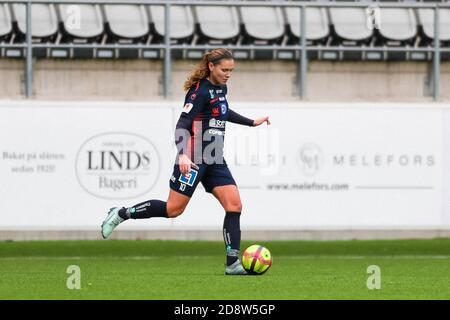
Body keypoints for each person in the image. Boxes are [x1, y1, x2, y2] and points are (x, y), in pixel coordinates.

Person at [101, 48, 270, 275]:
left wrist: (251, 122)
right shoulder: (197, 92)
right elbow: (182, 125)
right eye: (224, 69)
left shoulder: (221, 87)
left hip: (215, 157)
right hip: (193, 157)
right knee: (173, 209)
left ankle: (232, 263)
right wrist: (182, 154)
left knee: (234, 206)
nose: (228, 74)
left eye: (231, 70)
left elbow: (223, 111)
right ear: (211, 66)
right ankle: (122, 213)